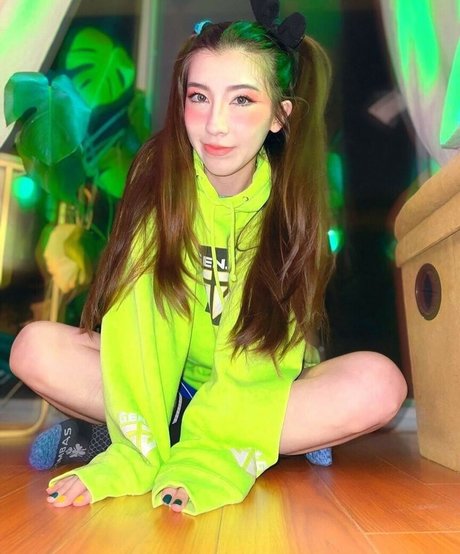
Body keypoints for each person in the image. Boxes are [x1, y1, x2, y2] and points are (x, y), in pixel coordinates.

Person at [9, 0, 407, 516]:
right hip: (164, 379)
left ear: (280, 116)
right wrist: (135, 447)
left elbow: (269, 349)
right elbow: (138, 328)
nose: (216, 124)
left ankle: (188, 441)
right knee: (33, 348)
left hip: (255, 385)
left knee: (381, 384)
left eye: (242, 100)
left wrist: (215, 448)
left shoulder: (290, 206)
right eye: (200, 97)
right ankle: (165, 439)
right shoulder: (161, 187)